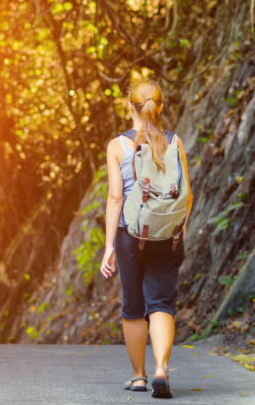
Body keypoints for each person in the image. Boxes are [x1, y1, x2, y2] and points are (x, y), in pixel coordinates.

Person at [99, 80, 193, 399]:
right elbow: (187, 195)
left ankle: (139, 377)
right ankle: (161, 371)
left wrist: (109, 246)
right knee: (162, 303)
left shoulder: (118, 146)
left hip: (130, 234)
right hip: (168, 236)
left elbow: (115, 197)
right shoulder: (174, 141)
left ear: (130, 108)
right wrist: (177, 229)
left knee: (134, 307)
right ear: (161, 107)